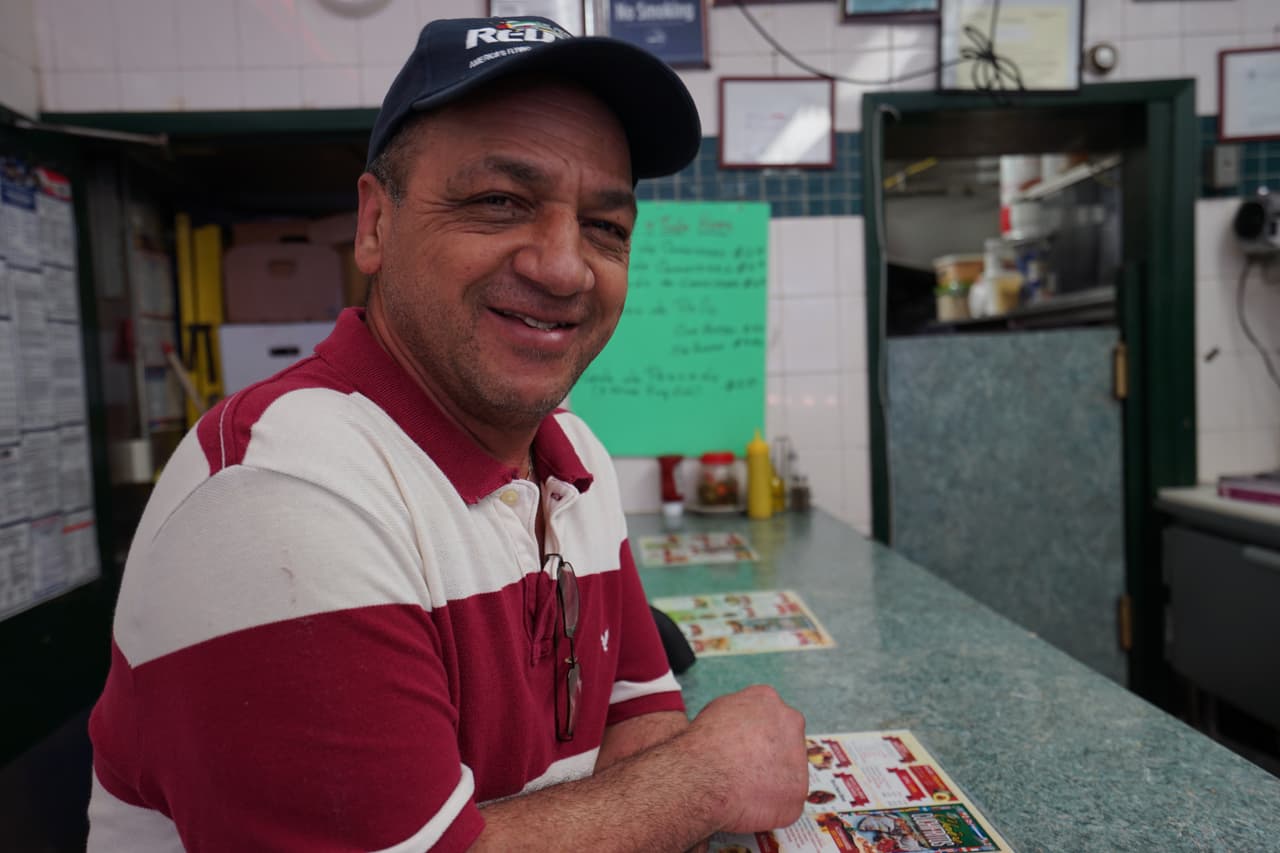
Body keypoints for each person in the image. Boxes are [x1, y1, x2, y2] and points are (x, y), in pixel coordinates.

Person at [86, 15, 808, 852]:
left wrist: (637, 791)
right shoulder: (276, 495)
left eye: (606, 226)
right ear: (374, 225)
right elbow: (666, 770)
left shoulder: (576, 460)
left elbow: (640, 717)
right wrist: (708, 778)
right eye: (500, 202)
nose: (565, 265)